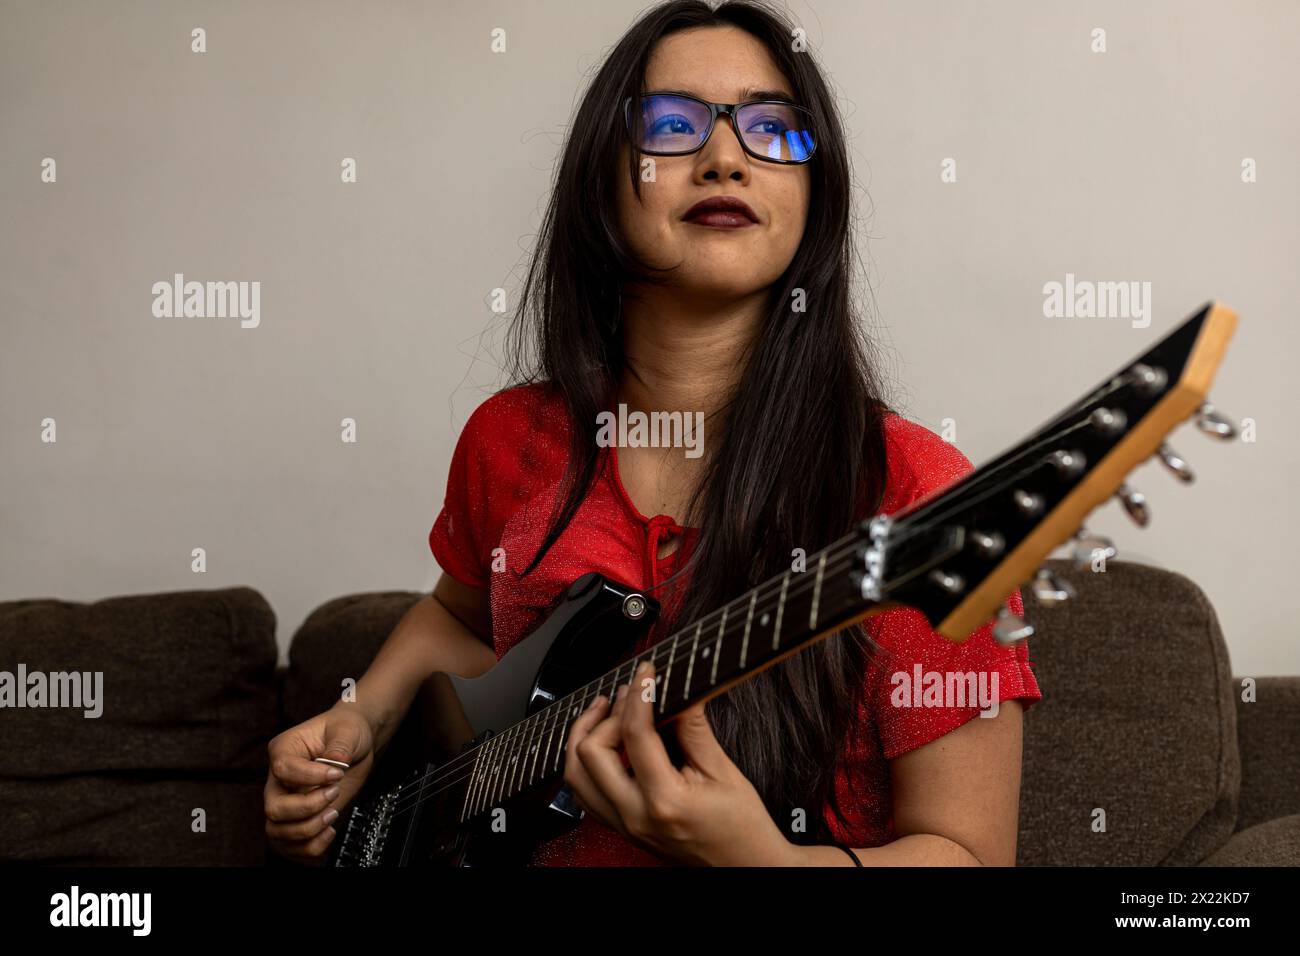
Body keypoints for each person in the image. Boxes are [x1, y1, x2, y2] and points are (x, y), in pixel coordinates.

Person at [264, 0, 1041, 867]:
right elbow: (460, 619)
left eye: (771, 129)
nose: (723, 159)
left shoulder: (914, 491)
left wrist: (765, 864)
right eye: (671, 125)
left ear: (814, 194)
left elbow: (969, 855)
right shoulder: (512, 440)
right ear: (604, 180)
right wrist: (362, 717)